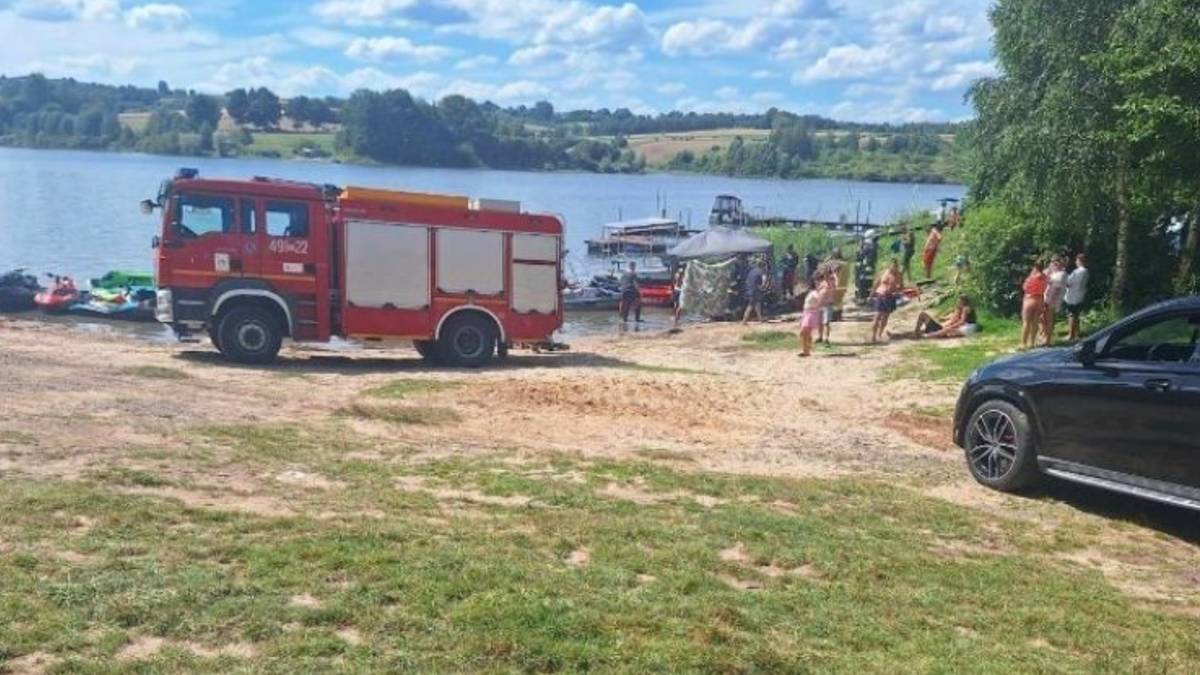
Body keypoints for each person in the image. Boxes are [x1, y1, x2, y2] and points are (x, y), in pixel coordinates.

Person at [900, 295, 979, 339]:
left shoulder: (965, 308)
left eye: (959, 301)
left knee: (923, 318)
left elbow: (961, 322)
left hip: (947, 328)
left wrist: (949, 325)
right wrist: (946, 319)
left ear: (963, 301)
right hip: (944, 327)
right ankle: (900, 335)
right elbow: (954, 319)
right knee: (923, 328)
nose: (957, 302)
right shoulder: (960, 309)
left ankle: (922, 336)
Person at [871, 260, 904, 343]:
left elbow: (902, 287)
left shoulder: (899, 275)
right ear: (890, 266)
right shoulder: (884, 273)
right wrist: (871, 295)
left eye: (896, 266)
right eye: (893, 266)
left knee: (885, 317)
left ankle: (880, 333)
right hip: (881, 295)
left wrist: (897, 290)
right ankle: (873, 336)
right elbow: (876, 283)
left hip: (890, 297)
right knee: (877, 316)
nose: (894, 268)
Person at [1020, 260, 1048, 349]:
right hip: (1040, 299)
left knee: (1026, 322)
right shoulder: (1045, 277)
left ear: (1034, 267)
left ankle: (1023, 343)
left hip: (1030, 299)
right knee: (1035, 322)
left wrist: (1030, 276)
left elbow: (1025, 287)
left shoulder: (1032, 277)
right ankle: (1032, 342)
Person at [1042, 256, 1067, 346]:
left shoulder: (1061, 274)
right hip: (1046, 298)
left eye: (1056, 262)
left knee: (1049, 319)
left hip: (1052, 300)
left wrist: (1051, 301)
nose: (1054, 263)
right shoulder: (1053, 272)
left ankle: (1048, 340)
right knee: (1043, 318)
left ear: (1061, 263)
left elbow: (1057, 289)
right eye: (1053, 261)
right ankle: (1044, 337)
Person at [1064, 253, 1089, 342]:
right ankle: (1077, 334)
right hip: (1080, 295)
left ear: (1079, 261)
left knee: (1071, 315)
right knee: (1076, 315)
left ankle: (1070, 335)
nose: (1076, 262)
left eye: (1077, 260)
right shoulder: (1086, 271)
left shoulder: (1077, 272)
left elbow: (1068, 283)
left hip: (1072, 296)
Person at [798, 283, 822, 357]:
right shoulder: (812, 292)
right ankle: (806, 350)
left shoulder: (817, 293)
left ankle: (807, 350)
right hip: (807, 312)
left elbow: (820, 301)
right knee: (804, 332)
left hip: (811, 313)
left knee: (805, 331)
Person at [817, 268, 838, 344]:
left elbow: (834, 281)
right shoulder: (822, 283)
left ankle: (826, 338)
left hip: (828, 304)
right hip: (820, 305)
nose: (825, 275)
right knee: (820, 322)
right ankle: (820, 337)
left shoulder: (832, 282)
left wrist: (833, 274)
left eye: (826, 273)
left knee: (826, 322)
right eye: (824, 274)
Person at [671, 264, 686, 330]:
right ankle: (677, 319)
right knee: (679, 305)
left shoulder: (677, 273)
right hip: (679, 290)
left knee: (676, 304)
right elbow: (681, 281)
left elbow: (674, 281)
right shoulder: (682, 272)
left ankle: (675, 318)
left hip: (675, 289)